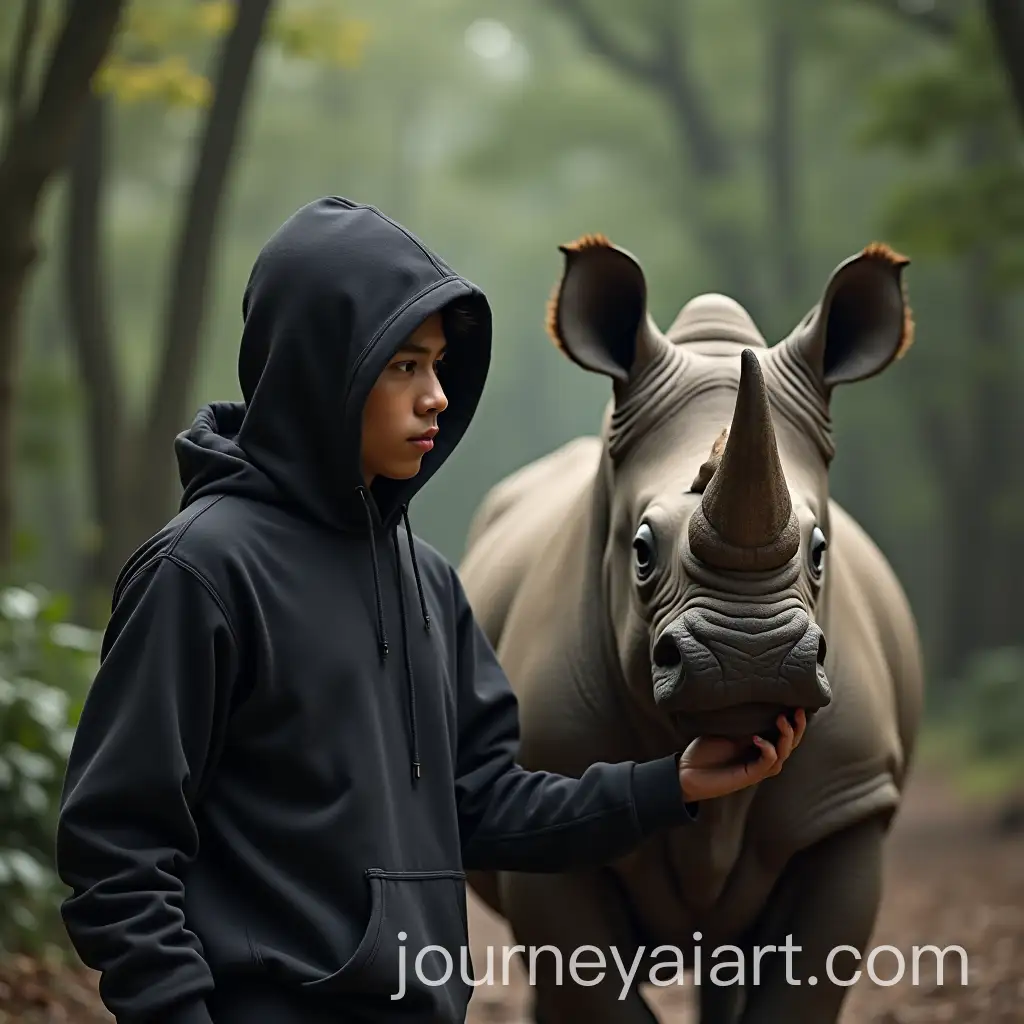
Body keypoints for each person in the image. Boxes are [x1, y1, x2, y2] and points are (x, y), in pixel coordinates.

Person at [55, 197, 806, 1024]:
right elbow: (118, 849)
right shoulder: (198, 573)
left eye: (440, 366)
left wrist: (674, 784)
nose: (437, 397)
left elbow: (483, 807)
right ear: (321, 368)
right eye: (404, 366)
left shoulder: (428, 582)